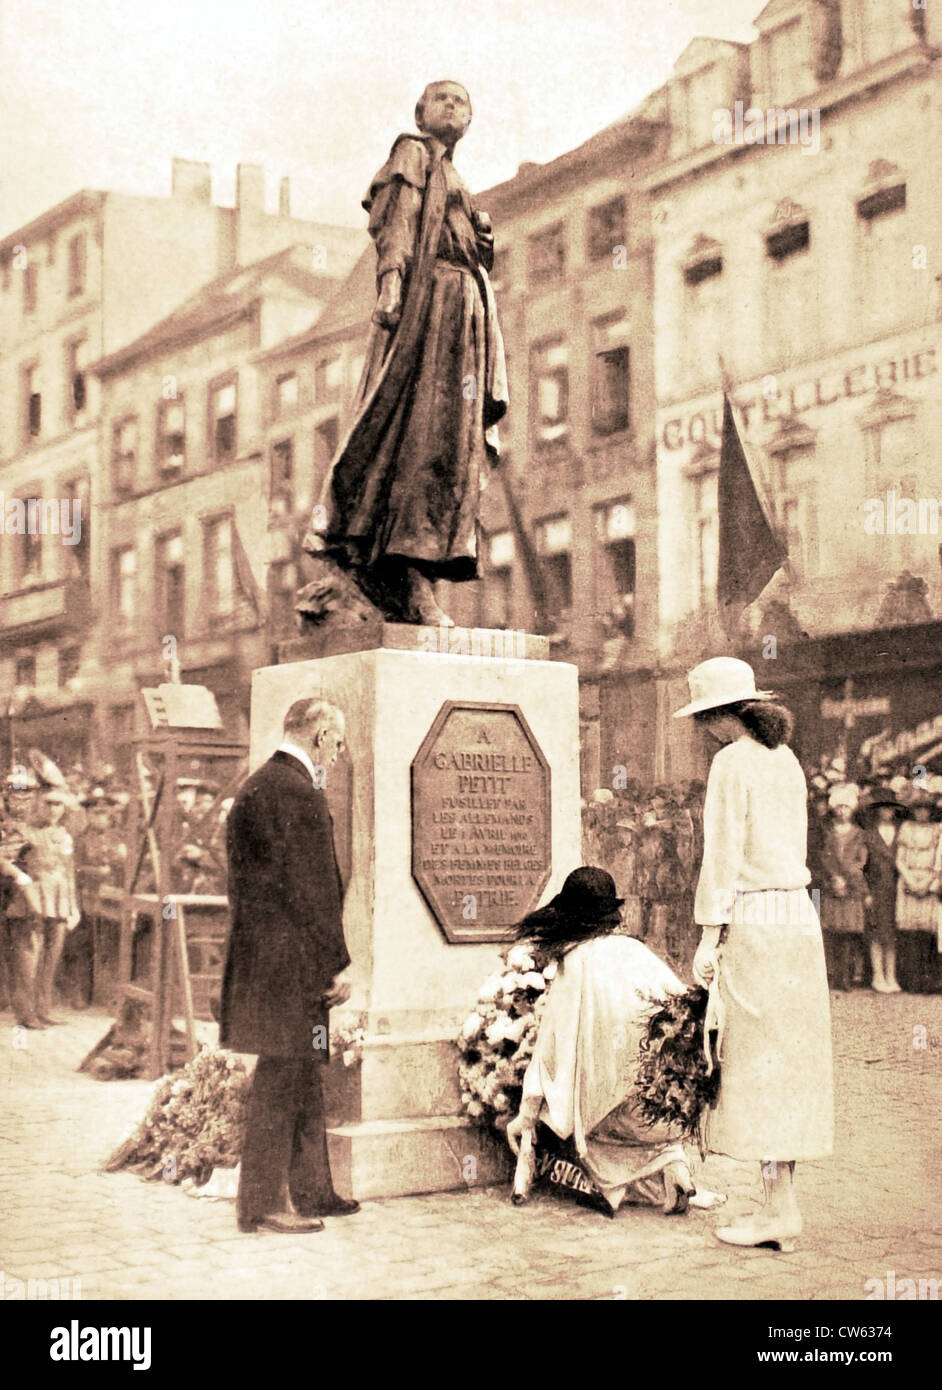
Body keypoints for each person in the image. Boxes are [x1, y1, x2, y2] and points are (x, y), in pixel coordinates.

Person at [302, 80, 508, 626]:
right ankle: (410, 583)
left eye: (463, 100)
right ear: (420, 112)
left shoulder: (457, 175)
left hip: (464, 313)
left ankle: (417, 586)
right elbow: (397, 221)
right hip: (432, 307)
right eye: (441, 98)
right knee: (420, 440)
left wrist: (480, 240)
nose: (453, 106)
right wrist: (391, 284)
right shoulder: (411, 153)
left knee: (449, 447)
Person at [674, 656, 833, 1251]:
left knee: (758, 1065)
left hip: (756, 920)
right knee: (790, 1063)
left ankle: (777, 1210)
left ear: (717, 718)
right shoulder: (783, 758)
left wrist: (709, 935)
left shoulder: (730, 762)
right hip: (796, 915)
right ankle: (780, 1203)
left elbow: (723, 855)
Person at [219, 698, 359, 1234]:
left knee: (301, 1072)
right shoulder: (299, 793)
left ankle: (312, 1191)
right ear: (320, 734)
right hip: (292, 967)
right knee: (281, 1076)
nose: (339, 754)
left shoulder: (257, 786)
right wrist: (336, 965)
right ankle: (262, 1205)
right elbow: (314, 891)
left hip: (267, 962)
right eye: (339, 743)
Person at [505, 867, 705, 1216]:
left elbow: (552, 1053)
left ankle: (655, 1171)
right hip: (668, 1112)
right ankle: (674, 1163)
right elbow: (684, 1017)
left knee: (576, 1123)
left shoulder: (575, 963)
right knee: (627, 1094)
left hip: (618, 1121)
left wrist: (526, 1114)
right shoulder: (638, 952)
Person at [819, 783, 869, 991]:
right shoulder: (829, 833)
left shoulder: (859, 834)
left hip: (852, 888)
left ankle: (847, 976)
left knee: (849, 934)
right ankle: (833, 974)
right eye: (838, 807)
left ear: (852, 809)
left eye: (846, 807)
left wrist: (849, 878)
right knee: (832, 933)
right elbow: (825, 857)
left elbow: (862, 860)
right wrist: (834, 878)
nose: (842, 811)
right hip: (833, 886)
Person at [895, 788, 942, 994]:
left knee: (927, 934)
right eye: (918, 809)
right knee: (910, 934)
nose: (922, 813)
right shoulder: (906, 828)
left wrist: (927, 881)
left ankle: (927, 980)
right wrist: (911, 879)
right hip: (909, 877)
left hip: (928, 879)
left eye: (926, 809)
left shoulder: (937, 830)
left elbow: (938, 860)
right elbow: (899, 858)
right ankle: (911, 980)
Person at [860, 789, 903, 993]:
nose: (887, 812)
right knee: (876, 932)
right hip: (876, 888)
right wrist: (866, 891)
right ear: (876, 811)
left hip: (897, 888)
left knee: (892, 934)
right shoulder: (868, 834)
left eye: (890, 808)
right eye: (882, 808)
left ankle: (891, 975)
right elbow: (862, 865)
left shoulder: (901, 831)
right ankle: (878, 975)